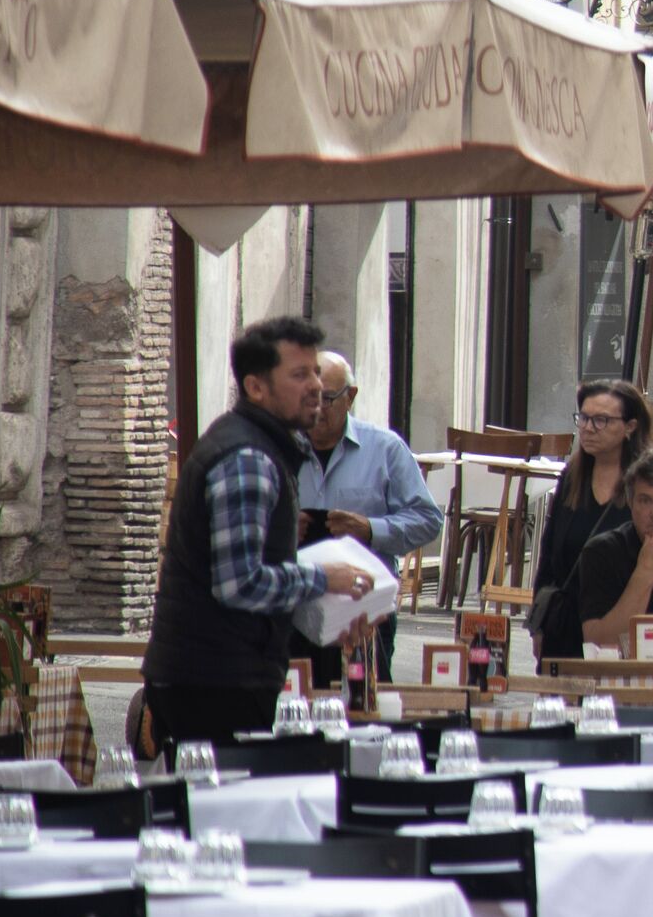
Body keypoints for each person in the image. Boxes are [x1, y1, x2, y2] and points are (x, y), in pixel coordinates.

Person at [140, 315, 377, 751]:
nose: (316, 387)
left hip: (223, 677)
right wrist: (327, 580)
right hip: (214, 683)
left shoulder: (262, 446)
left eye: (316, 374)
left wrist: (332, 615)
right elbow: (242, 583)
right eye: (299, 374)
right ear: (256, 387)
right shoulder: (247, 456)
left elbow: (260, 581)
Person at [292, 351, 443, 691]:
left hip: (363, 609)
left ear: (351, 397)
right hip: (295, 605)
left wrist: (372, 529)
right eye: (308, 398)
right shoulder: (283, 449)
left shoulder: (385, 449)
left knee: (364, 703)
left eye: (327, 398)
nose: (317, 409)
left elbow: (429, 520)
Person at [526, 379, 652, 667]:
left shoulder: (644, 485)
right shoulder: (573, 477)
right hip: (566, 625)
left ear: (630, 427)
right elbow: (548, 555)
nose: (587, 427)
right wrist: (539, 622)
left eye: (601, 420)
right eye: (583, 417)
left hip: (619, 623)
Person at [558, 451, 653, 660]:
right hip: (620, 681)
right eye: (645, 501)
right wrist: (645, 575)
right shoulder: (602, 552)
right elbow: (598, 644)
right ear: (631, 503)